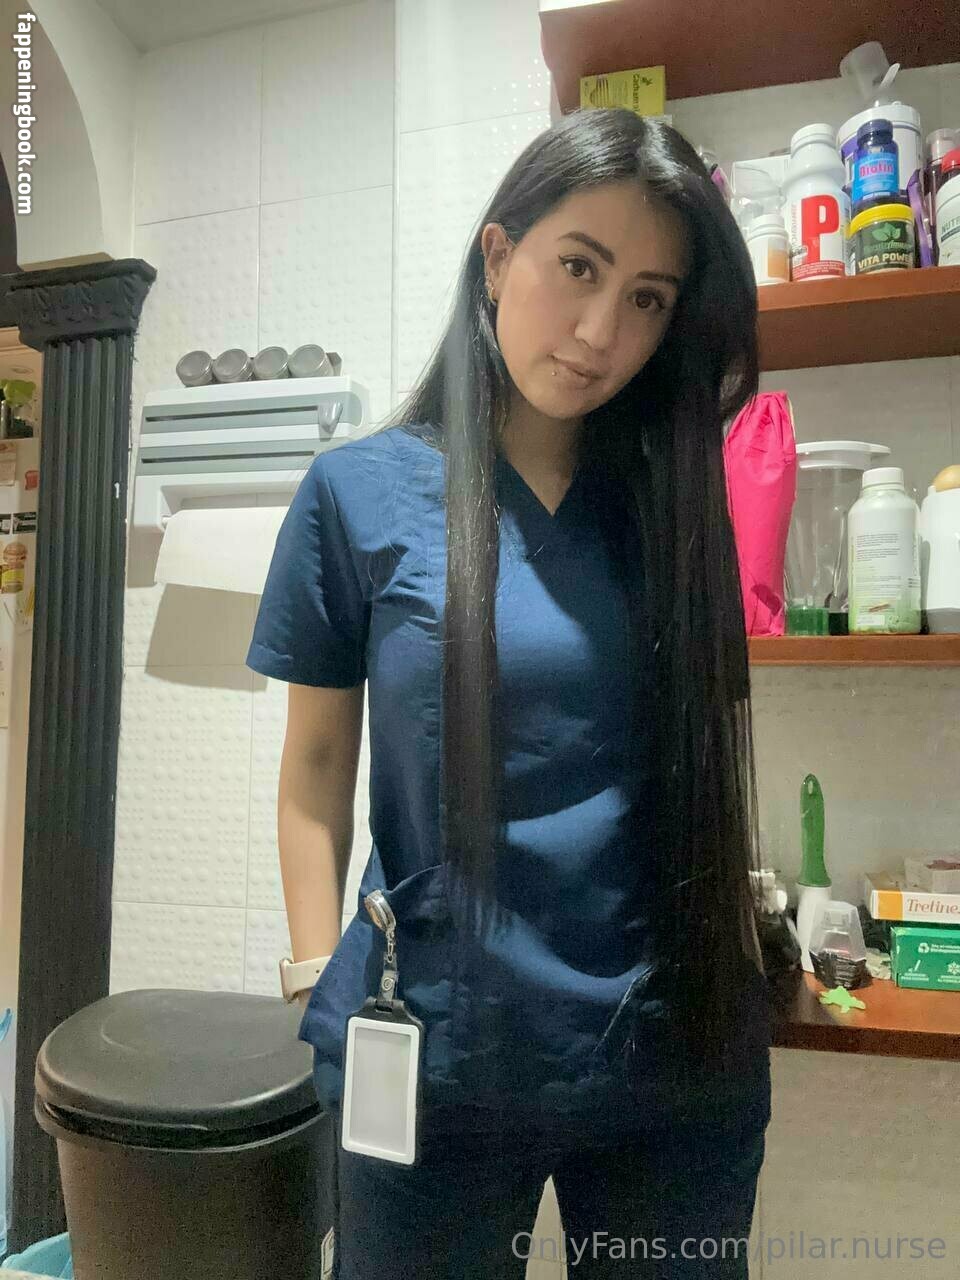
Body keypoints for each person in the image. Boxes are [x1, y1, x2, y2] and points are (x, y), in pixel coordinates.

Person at [247, 108, 773, 1279]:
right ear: (497, 256)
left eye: (647, 298)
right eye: (578, 267)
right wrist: (311, 969)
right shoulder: (359, 494)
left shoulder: (677, 508)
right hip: (434, 1050)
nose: (600, 331)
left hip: (669, 1052)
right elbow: (317, 768)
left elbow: (710, 758)